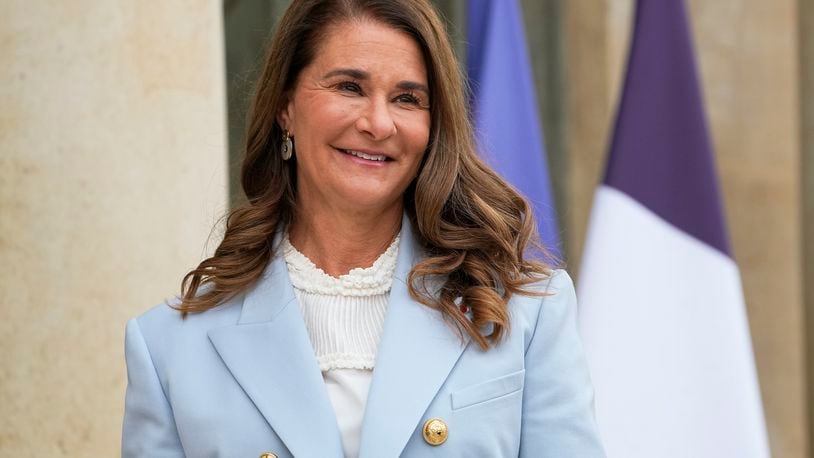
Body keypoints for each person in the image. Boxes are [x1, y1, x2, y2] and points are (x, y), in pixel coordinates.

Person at [121, 0, 605, 456]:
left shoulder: (525, 312)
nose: (378, 123)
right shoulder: (169, 346)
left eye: (407, 98)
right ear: (285, 106)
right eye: (349, 87)